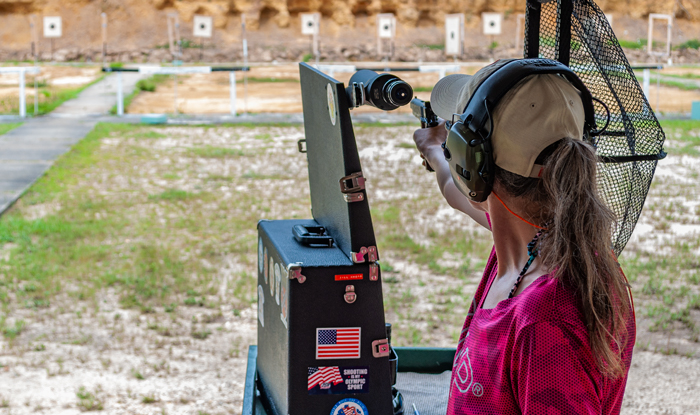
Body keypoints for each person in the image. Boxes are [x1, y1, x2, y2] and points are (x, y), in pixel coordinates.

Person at [412, 59, 636, 415]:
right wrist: (435, 151)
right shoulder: (541, 243)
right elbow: (455, 192)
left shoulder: (545, 320)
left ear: (474, 163)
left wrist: (443, 154)